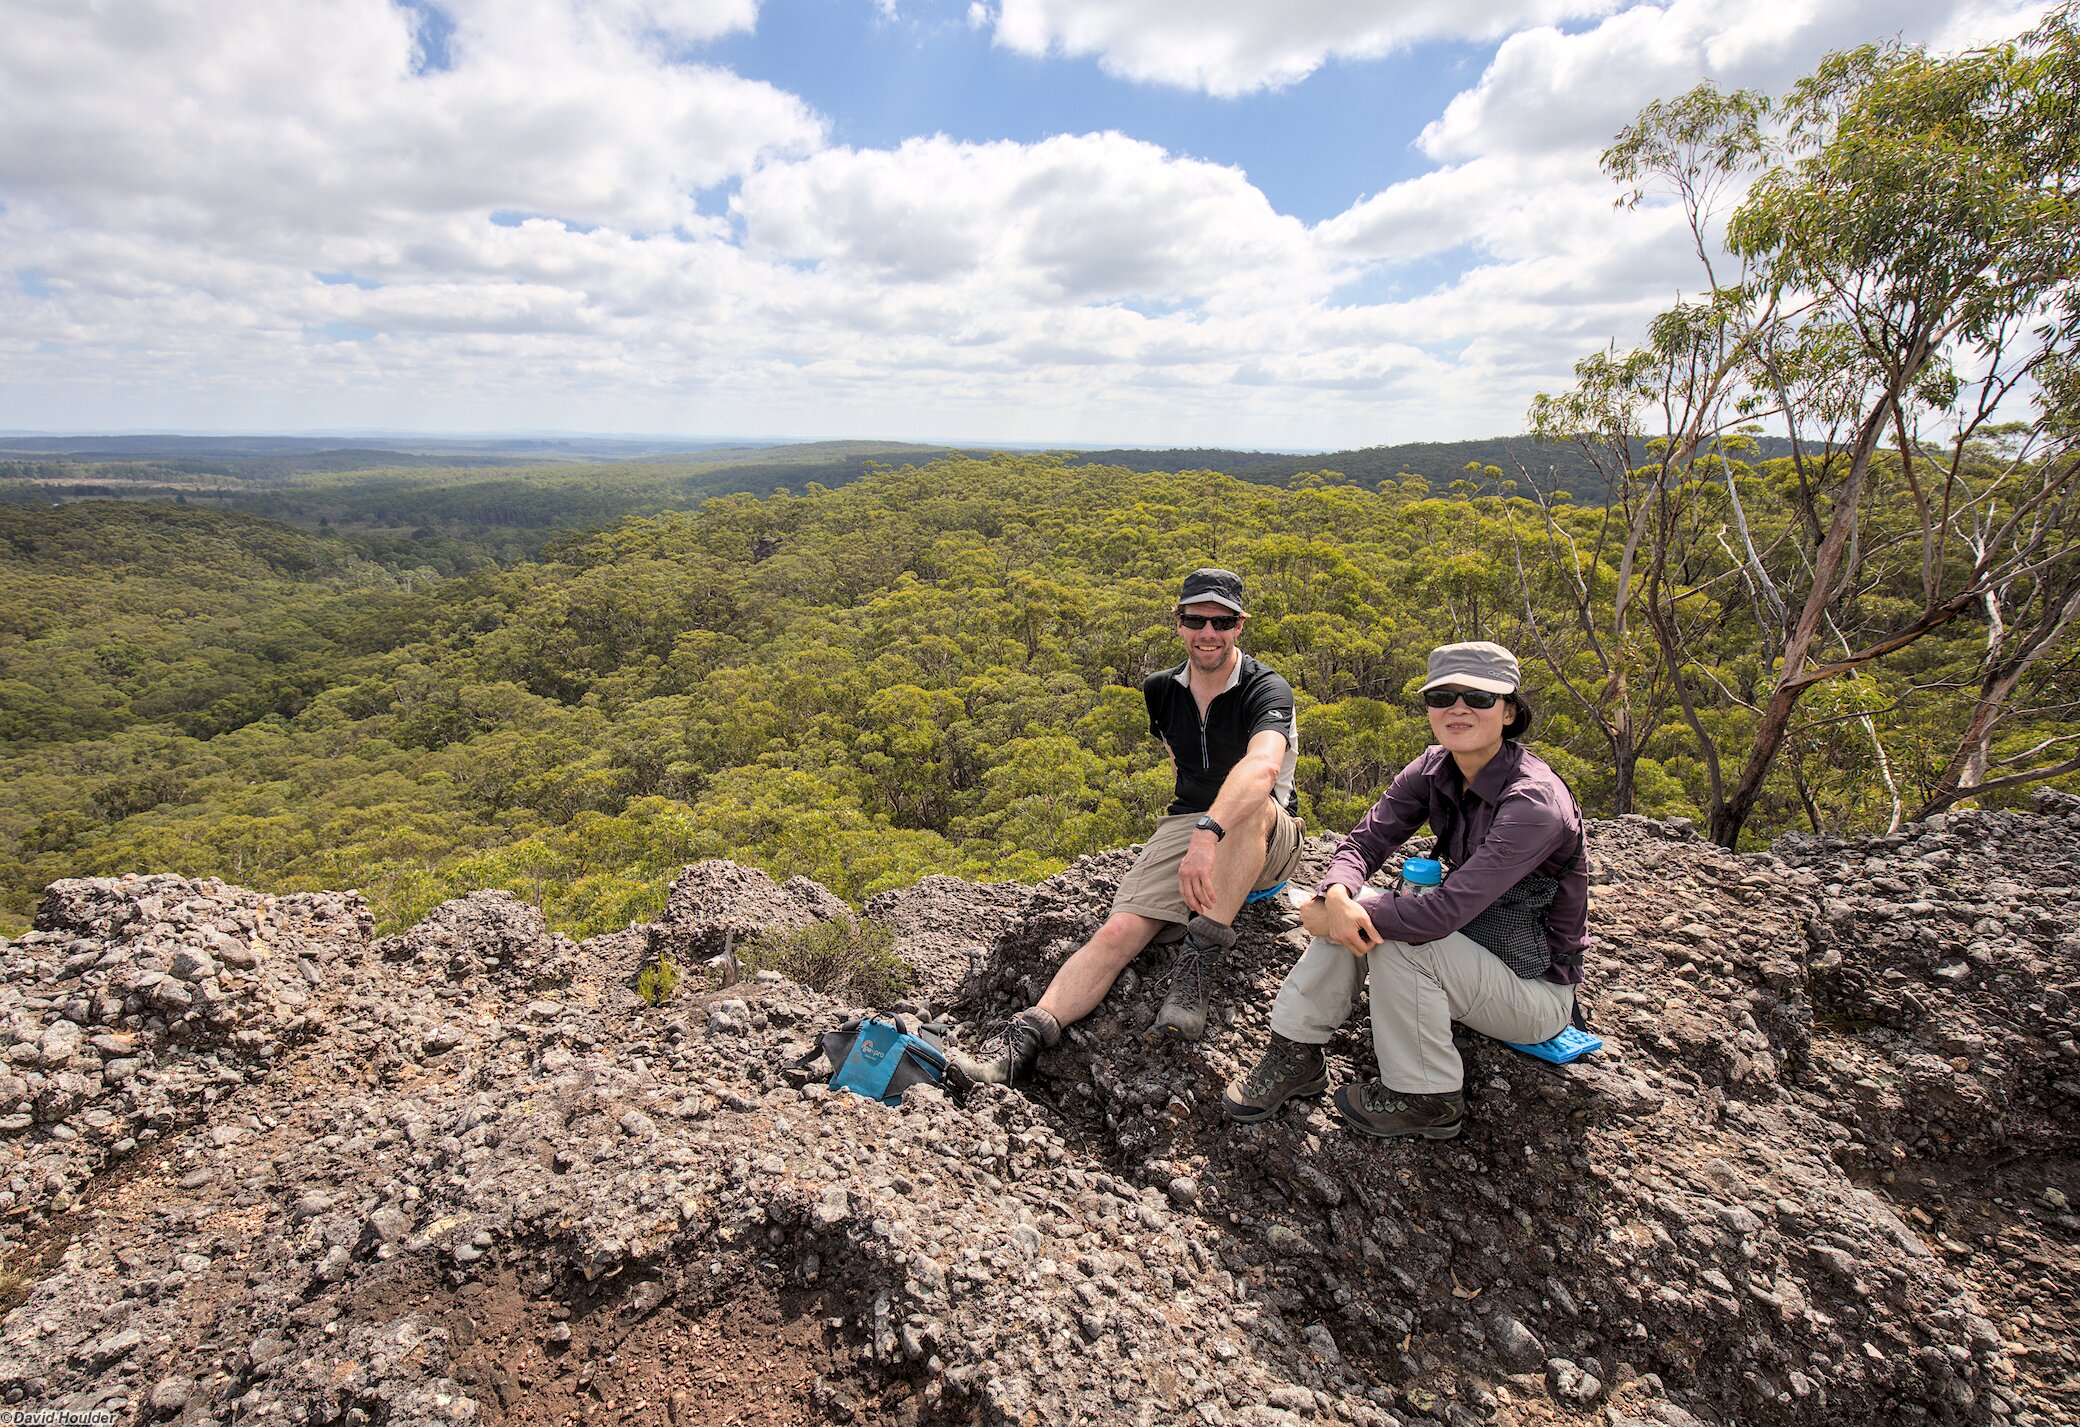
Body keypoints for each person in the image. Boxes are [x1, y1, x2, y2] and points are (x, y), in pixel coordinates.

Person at [951, 568, 1304, 1084]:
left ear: (1239, 625)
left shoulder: (1265, 688)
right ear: (1179, 624)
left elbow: (1263, 769)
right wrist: (1192, 833)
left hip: (1267, 828)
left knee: (1247, 803)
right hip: (1190, 822)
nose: (1209, 632)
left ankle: (1197, 963)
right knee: (1120, 928)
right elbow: (1179, 763)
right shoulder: (1160, 690)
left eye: (1221, 621)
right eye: (1196, 619)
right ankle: (1020, 1040)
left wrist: (1208, 835)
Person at [1222, 640, 1585, 1140]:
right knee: (1355, 907)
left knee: (1390, 931)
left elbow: (1445, 912)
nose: (1458, 708)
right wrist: (1337, 896)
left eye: (1479, 698)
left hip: (1533, 991)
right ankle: (1295, 1051)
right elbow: (1366, 842)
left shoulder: (1534, 803)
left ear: (1508, 712)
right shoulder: (1436, 768)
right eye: (1443, 696)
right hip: (1473, 952)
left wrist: (1340, 915)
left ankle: (1425, 1096)